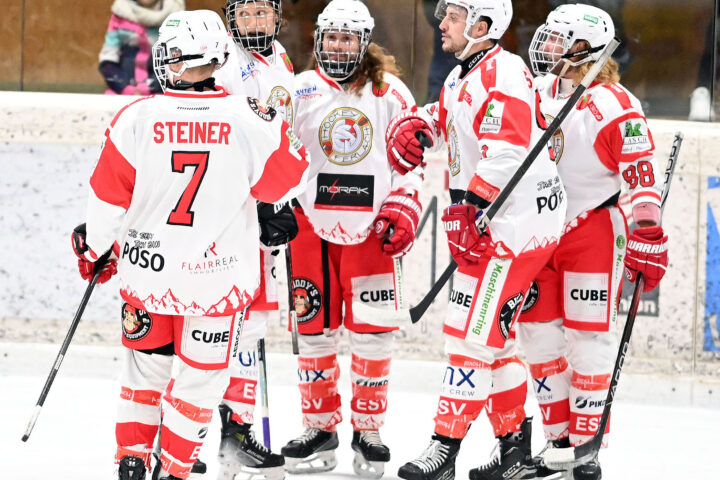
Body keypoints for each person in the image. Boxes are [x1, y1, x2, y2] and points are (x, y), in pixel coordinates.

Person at [71, 10, 309, 480]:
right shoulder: (250, 118)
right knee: (198, 385)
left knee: (144, 374)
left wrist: (95, 251)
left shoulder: (136, 117)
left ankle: (132, 460)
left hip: (148, 275)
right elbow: (288, 180)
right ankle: (174, 469)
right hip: (215, 285)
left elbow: (105, 200)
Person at [384, 1, 567, 479]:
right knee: (494, 343)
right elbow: (452, 117)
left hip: (513, 227)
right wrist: (424, 123)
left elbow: (506, 151)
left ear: (482, 26)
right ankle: (514, 452)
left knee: (469, 341)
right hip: (496, 221)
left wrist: (471, 207)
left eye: (455, 16)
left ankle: (444, 450)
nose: (442, 23)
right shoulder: (463, 73)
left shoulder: (503, 72)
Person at [515, 4, 668, 479]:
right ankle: (557, 442)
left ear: (585, 48)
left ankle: (585, 447)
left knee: (588, 341)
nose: (546, 46)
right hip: (538, 230)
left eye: (558, 39)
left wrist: (648, 231)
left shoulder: (615, 103)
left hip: (593, 231)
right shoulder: (536, 91)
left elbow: (641, 175)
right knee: (538, 337)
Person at [277, 1, 422, 478]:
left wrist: (404, 203)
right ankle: (319, 426)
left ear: (364, 42)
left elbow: (413, 160)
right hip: (309, 228)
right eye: (332, 37)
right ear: (319, 40)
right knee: (313, 330)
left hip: (371, 230)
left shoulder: (390, 92)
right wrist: (273, 203)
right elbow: (278, 154)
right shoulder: (299, 89)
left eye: (348, 38)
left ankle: (369, 430)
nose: (339, 46)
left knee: (373, 334)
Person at [180, 2, 298, 479]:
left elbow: (280, 135)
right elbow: (223, 140)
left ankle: (236, 433)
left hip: (260, 208)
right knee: (205, 328)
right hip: (227, 215)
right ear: (231, 20)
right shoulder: (223, 60)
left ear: (276, 16)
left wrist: (282, 196)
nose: (253, 22)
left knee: (251, 326)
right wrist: (266, 200)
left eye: (260, 12)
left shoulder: (282, 57)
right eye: (243, 13)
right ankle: (181, 434)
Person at [99, 0, 185, 95]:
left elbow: (177, 63)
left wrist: (151, 86)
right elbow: (108, 60)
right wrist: (123, 85)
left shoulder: (175, 14)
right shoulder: (120, 12)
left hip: (160, 91)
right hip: (124, 90)